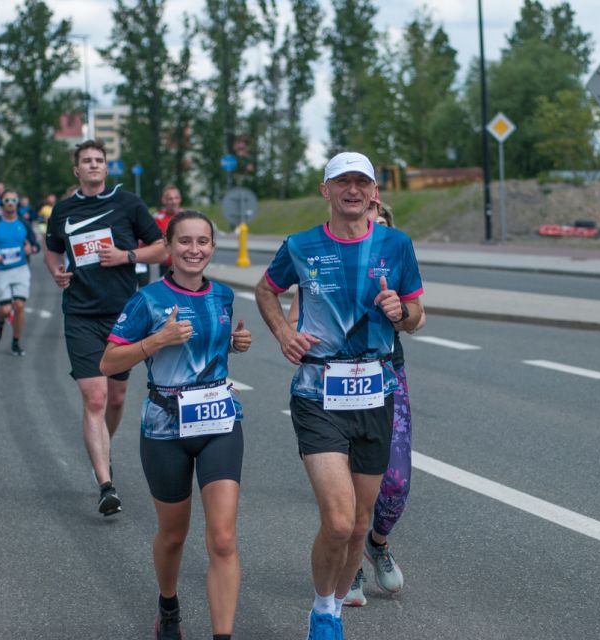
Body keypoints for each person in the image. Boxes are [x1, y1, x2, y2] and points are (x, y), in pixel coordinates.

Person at [254, 151, 424, 640]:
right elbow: (266, 290)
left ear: (374, 192)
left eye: (362, 182)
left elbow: (416, 315)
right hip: (317, 393)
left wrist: (401, 313)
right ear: (325, 191)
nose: (353, 190)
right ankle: (324, 608)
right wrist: (284, 331)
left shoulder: (397, 244)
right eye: (342, 181)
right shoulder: (301, 245)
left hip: (376, 392)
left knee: (358, 525)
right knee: (337, 518)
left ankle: (339, 593)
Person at [101, 210, 252, 640]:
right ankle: (168, 605)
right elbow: (108, 360)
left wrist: (234, 345)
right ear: (168, 249)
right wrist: (155, 341)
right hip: (165, 428)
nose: (194, 249)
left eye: (202, 241)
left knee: (222, 537)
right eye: (184, 241)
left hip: (219, 421)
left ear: (212, 248)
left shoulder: (222, 295)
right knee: (173, 535)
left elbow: (207, 349)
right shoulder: (146, 300)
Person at [285, 192, 426, 609]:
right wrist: (292, 337)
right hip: (329, 383)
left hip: (384, 377)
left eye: (378, 226)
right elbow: (297, 313)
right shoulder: (325, 267)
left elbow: (418, 316)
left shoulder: (395, 255)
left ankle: (376, 543)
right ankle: (350, 568)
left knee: (396, 482)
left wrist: (401, 311)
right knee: (341, 497)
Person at [44, 139, 167, 517]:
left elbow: (161, 247)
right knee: (95, 398)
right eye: (87, 161)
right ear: (76, 170)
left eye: (99, 160)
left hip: (123, 315)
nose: (94, 165)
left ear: (106, 167)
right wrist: (56, 272)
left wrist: (126, 256)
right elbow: (52, 248)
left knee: (115, 399)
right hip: (80, 314)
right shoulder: (64, 210)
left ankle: (104, 449)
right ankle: (105, 484)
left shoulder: (127, 203)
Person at [0, 190, 41, 356]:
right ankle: (0, 321)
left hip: (21, 270)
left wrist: (31, 248)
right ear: (2, 203)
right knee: (6, 309)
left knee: (19, 305)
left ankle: (16, 342)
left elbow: (36, 246)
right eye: (7, 200)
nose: (10, 203)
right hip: (2, 272)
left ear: (17, 202)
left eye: (14, 200)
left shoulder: (24, 223)